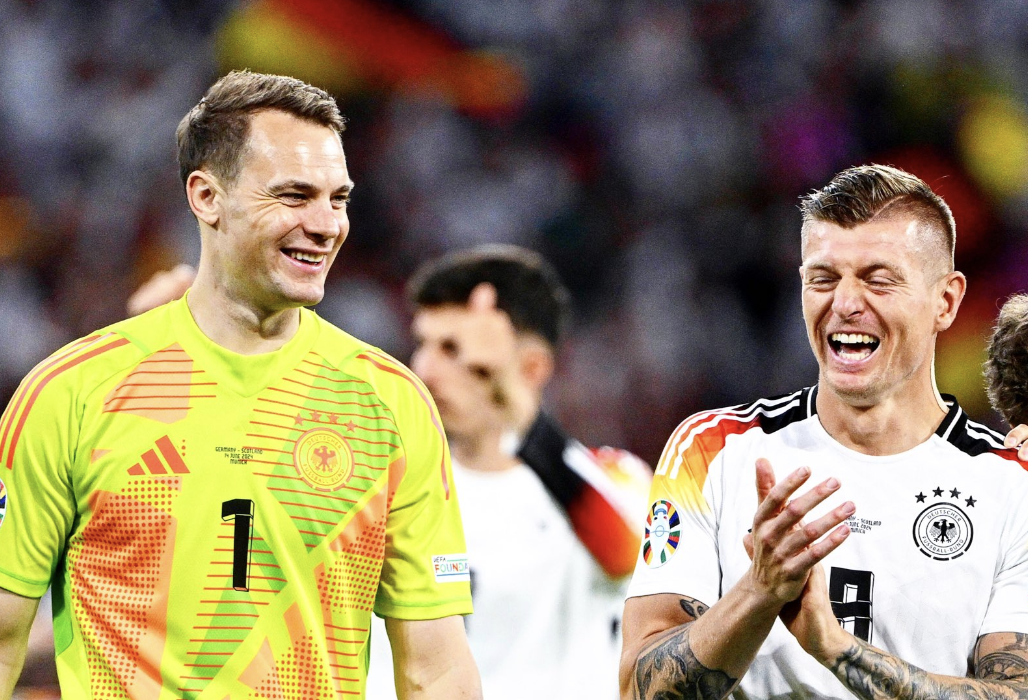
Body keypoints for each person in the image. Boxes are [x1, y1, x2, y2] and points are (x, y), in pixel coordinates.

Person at [0, 70, 480, 700]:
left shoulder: (390, 403)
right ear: (206, 197)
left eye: (338, 199)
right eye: (293, 195)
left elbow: (435, 666)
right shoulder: (71, 394)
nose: (326, 224)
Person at [620, 164, 1028, 700]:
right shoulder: (713, 450)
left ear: (946, 301)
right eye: (824, 278)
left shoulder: (1012, 485)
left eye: (878, 279)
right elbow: (636, 689)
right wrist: (759, 592)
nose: (845, 303)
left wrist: (837, 648)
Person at [363, 245, 650, 700]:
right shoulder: (386, 489)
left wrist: (514, 403)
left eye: (453, 349)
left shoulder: (609, 479)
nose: (423, 369)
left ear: (531, 368)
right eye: (424, 343)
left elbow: (632, 552)